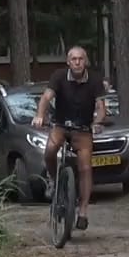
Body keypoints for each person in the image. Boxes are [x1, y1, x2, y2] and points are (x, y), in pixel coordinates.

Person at [33, 45, 108, 230]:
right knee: (50, 150)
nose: (77, 62)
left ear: (85, 61)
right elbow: (46, 98)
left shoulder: (95, 80)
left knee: (85, 167)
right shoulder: (59, 76)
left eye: (80, 59)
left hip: (83, 129)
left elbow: (101, 107)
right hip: (61, 125)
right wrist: (40, 115)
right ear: (68, 62)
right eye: (73, 59)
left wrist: (97, 122)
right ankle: (53, 180)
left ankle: (83, 211)